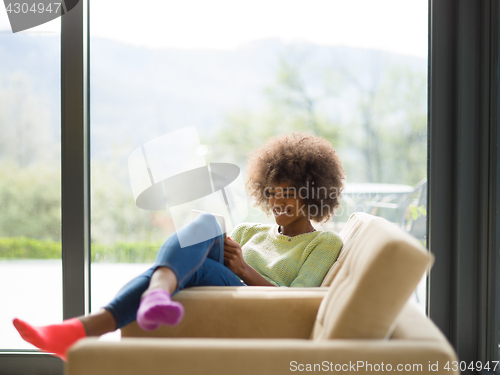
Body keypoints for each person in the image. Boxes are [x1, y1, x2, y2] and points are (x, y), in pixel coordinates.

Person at [12, 132, 346, 361]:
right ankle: (154, 294)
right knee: (208, 222)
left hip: (255, 298)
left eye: (288, 193)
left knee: (191, 256)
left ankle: (84, 327)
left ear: (313, 194)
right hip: (221, 285)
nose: (277, 202)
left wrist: (244, 269)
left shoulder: (323, 241)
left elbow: (300, 300)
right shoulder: (249, 230)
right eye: (272, 192)